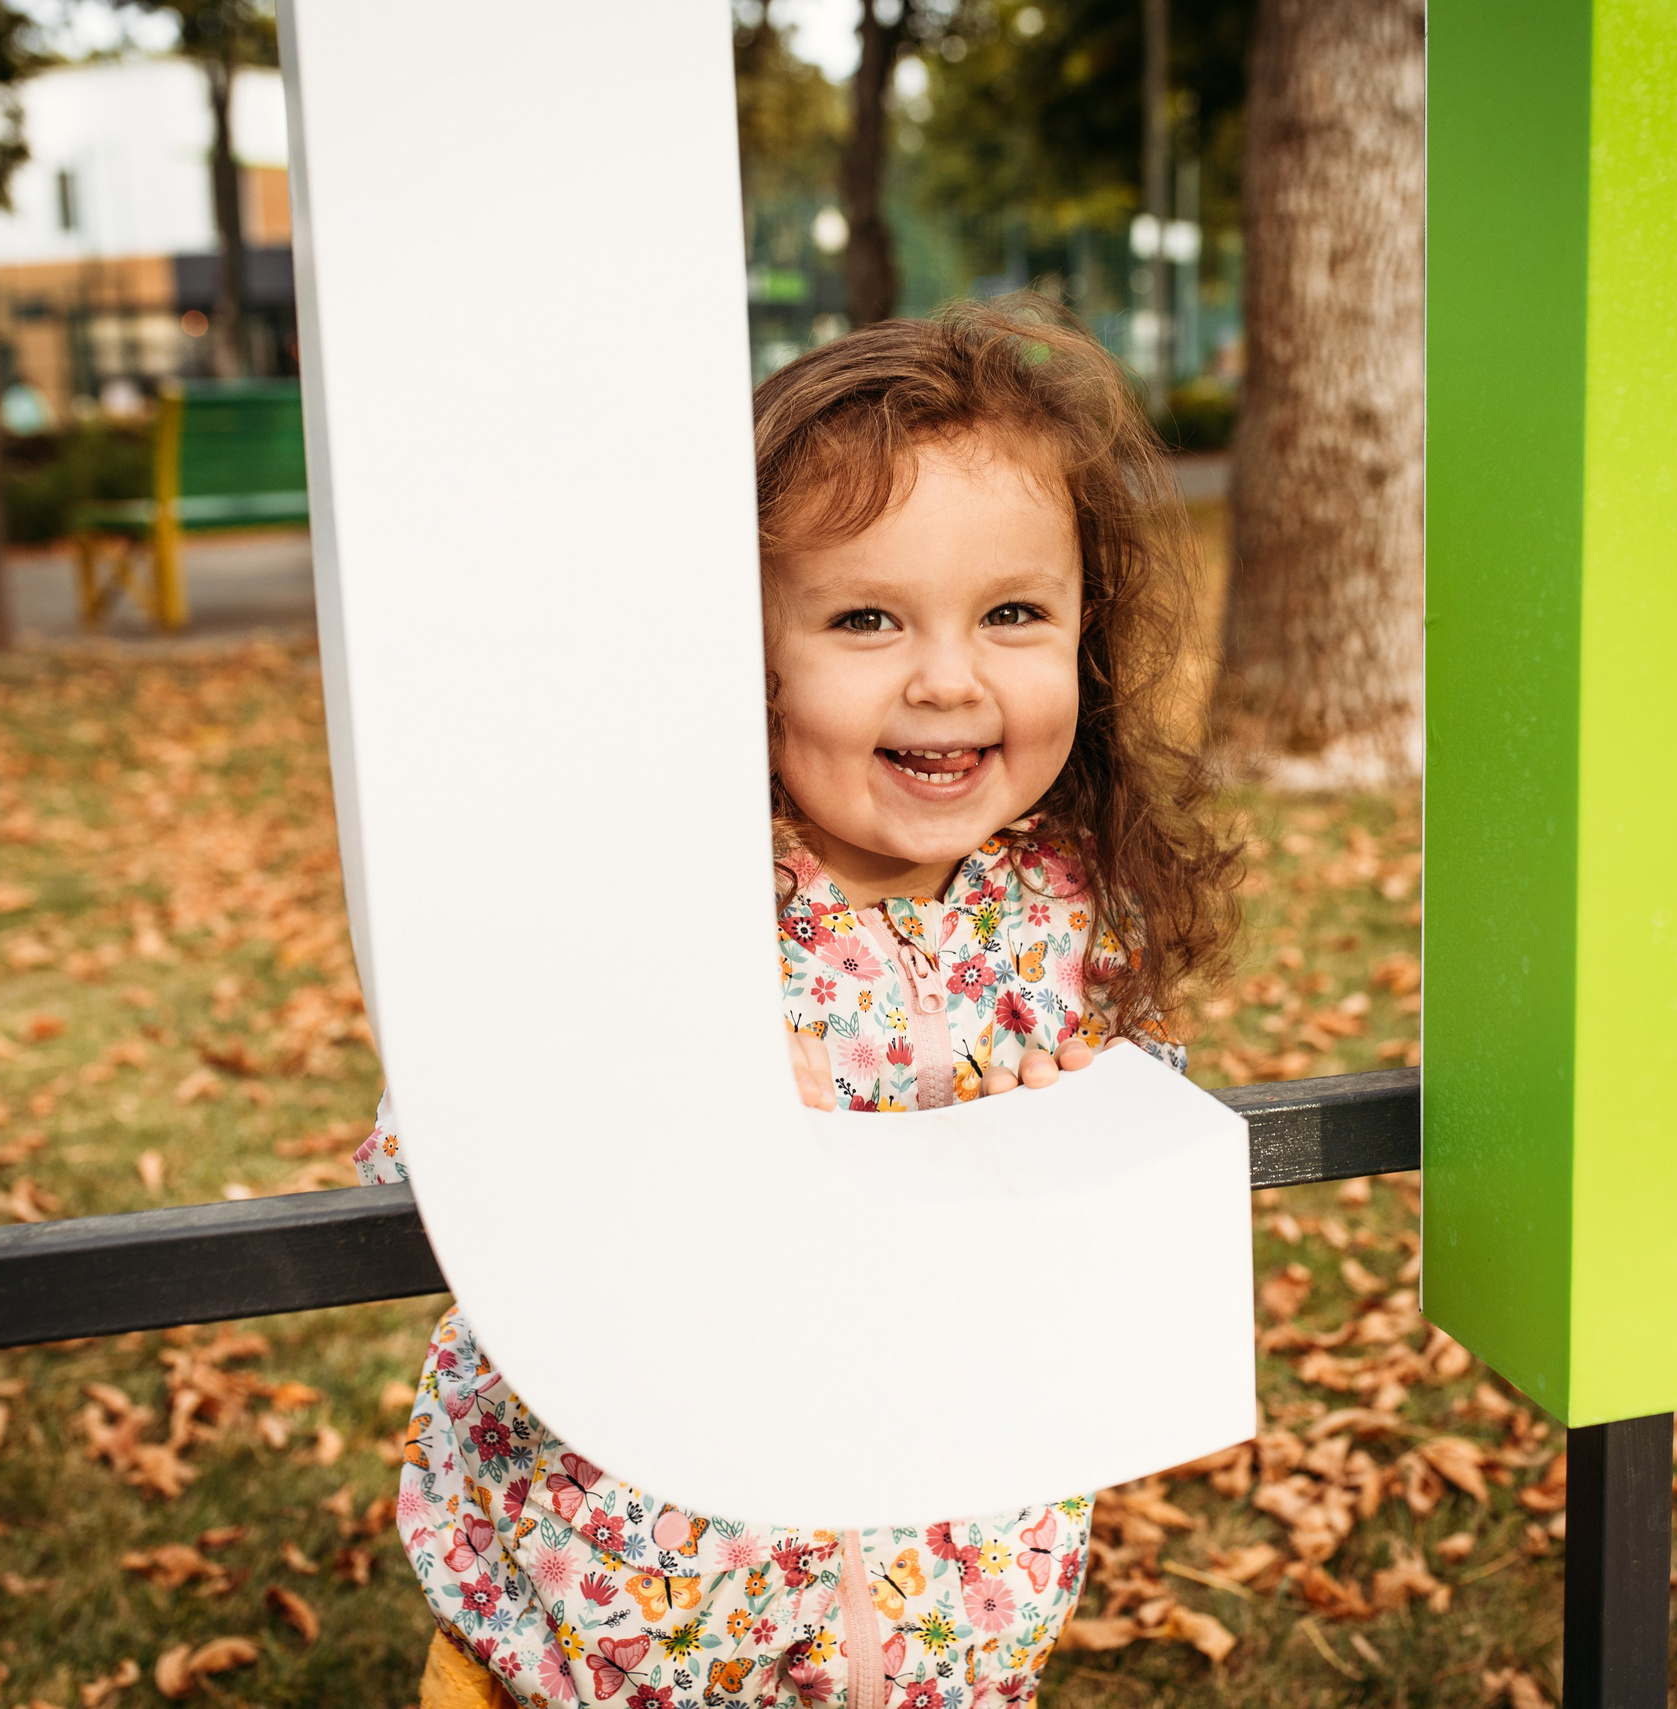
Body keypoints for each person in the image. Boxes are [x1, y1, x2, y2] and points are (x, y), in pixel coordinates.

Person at [361, 300, 1240, 1708]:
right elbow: (445, 1150)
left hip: (944, 1623)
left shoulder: (1063, 903)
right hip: (617, 1632)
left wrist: (1076, 1150)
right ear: (741, 648)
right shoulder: (649, 902)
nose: (948, 676)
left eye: (1012, 613)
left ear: (1086, 632)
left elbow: (1099, 1224)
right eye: (866, 617)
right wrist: (657, 1094)